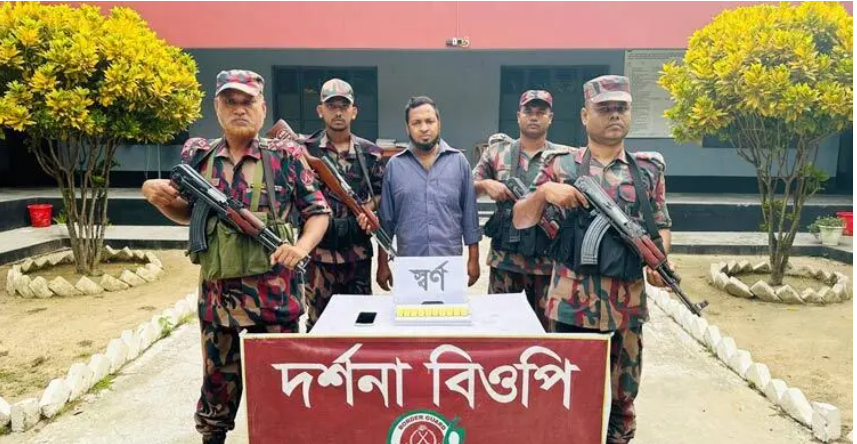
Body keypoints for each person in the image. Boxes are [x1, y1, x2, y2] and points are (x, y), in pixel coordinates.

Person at [141, 69, 331, 444]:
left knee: (280, 386)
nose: (239, 109)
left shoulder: (286, 156)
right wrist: (157, 196)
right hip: (217, 297)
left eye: (248, 101)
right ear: (217, 107)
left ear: (263, 109)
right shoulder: (198, 155)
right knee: (217, 384)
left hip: (275, 297)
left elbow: (318, 212)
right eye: (231, 101)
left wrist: (300, 248)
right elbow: (188, 213)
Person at [512, 75, 673, 444]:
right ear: (585, 116)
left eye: (621, 108)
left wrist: (660, 261)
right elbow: (521, 218)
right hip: (570, 303)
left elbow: (660, 223)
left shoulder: (648, 169)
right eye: (605, 108)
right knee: (564, 395)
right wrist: (544, 193)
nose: (614, 115)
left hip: (626, 305)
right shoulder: (558, 165)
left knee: (622, 402)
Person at [472, 90, 562, 329]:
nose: (534, 117)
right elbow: (468, 187)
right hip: (506, 260)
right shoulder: (496, 153)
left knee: (547, 332)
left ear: (550, 118)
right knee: (501, 329)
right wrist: (486, 184)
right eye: (528, 111)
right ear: (518, 116)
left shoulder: (562, 157)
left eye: (541, 112)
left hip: (547, 261)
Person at [301, 78, 386, 332]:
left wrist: (367, 208)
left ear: (354, 111)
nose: (338, 112)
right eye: (331, 106)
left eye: (343, 106)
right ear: (320, 110)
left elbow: (381, 192)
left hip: (357, 254)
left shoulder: (370, 153)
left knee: (361, 324)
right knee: (319, 325)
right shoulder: (304, 150)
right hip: (319, 254)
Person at [375, 96, 481, 289]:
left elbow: (470, 216)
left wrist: (473, 259)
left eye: (429, 121)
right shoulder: (395, 167)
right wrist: (382, 264)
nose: (424, 128)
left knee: (450, 309)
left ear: (439, 124)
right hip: (410, 265)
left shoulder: (459, 162)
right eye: (416, 123)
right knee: (410, 309)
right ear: (407, 128)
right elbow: (386, 221)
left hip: (449, 264)